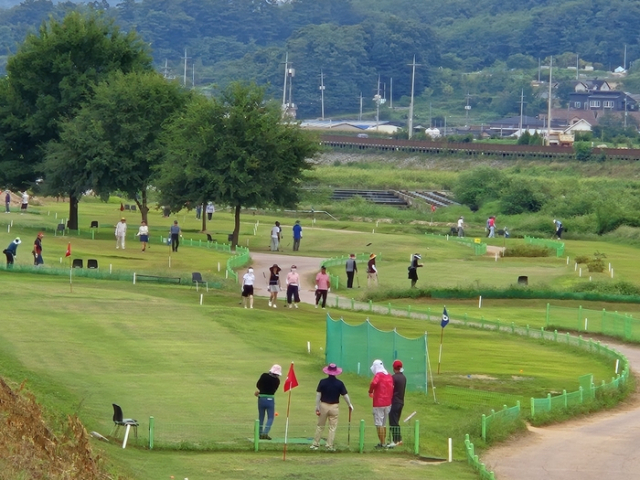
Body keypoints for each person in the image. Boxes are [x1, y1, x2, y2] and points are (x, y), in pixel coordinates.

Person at [310, 363, 353, 452]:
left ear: (328, 372)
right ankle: (329, 445)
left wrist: (317, 406)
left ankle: (315, 444)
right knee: (332, 427)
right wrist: (349, 404)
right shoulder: (339, 383)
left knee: (320, 426)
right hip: (334, 407)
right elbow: (345, 395)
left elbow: (318, 395)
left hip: (323, 405)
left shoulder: (322, 382)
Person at [369, 359, 394, 448]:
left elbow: (373, 383)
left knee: (378, 424)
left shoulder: (378, 375)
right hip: (388, 402)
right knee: (383, 424)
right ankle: (384, 442)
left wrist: (370, 391)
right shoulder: (389, 375)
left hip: (379, 402)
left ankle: (382, 443)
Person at [255, 364, 282, 440]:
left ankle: (260, 434)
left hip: (261, 398)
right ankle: (265, 433)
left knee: (261, 416)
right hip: (270, 399)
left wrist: (261, 391)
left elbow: (258, 385)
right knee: (270, 417)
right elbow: (273, 390)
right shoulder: (277, 380)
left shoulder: (264, 375)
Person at [388, 360, 407, 448]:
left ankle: (396, 440)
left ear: (394, 368)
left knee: (393, 421)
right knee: (396, 421)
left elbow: (390, 389)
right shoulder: (404, 377)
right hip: (401, 402)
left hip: (394, 401)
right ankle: (399, 439)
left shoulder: (393, 378)